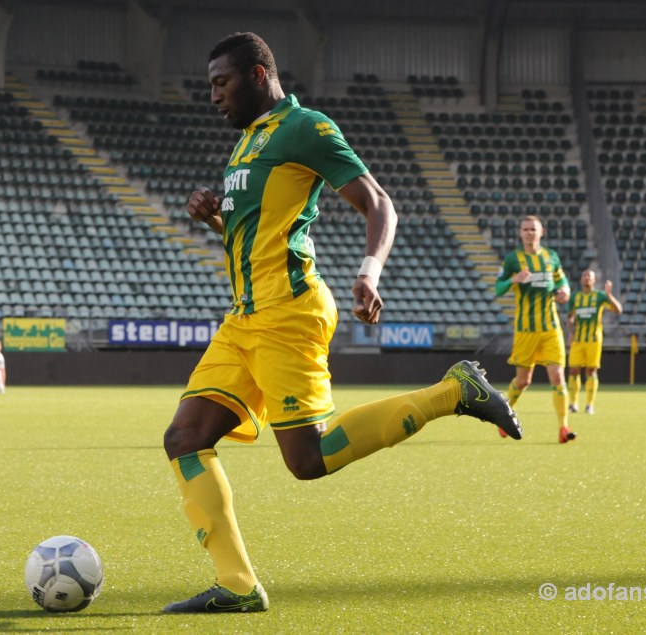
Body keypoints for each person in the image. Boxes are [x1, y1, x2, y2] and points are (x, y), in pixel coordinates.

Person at [160, 31, 523, 615]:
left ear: (257, 75)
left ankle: (455, 391)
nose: (213, 97)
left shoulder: (307, 128)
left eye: (220, 83)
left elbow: (379, 202)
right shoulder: (248, 142)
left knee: (308, 460)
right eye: (210, 86)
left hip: (288, 313)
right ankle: (236, 586)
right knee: (184, 439)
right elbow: (255, 237)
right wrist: (214, 218)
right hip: (244, 319)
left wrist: (369, 272)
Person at [495, 215, 574, 444]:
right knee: (523, 381)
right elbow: (498, 289)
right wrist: (514, 280)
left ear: (542, 232)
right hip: (525, 330)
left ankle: (564, 428)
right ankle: (504, 416)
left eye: (533, 229)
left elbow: (562, 281)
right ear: (521, 233)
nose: (530, 232)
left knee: (558, 376)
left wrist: (565, 292)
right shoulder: (513, 259)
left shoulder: (551, 257)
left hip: (551, 328)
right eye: (526, 229)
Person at [566, 269, 623, 415]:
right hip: (578, 340)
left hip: (593, 339)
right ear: (581, 280)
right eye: (584, 276)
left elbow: (618, 310)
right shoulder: (575, 297)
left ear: (594, 280)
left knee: (591, 371)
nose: (586, 278)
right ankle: (573, 404)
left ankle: (589, 405)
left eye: (589, 276)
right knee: (573, 370)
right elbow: (570, 317)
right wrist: (570, 333)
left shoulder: (599, 296)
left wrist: (609, 295)